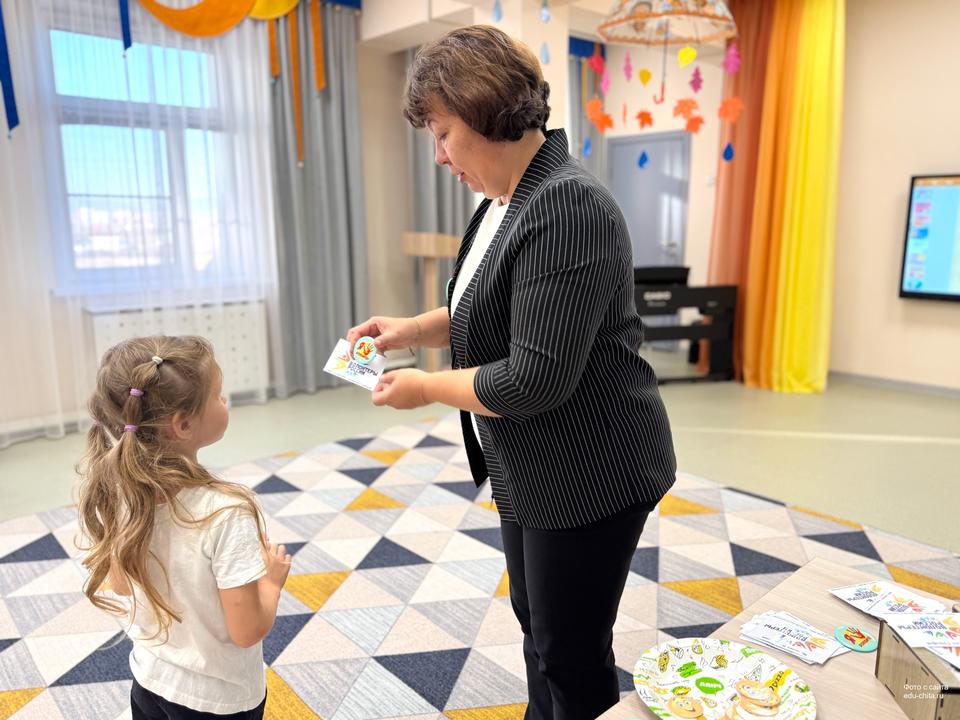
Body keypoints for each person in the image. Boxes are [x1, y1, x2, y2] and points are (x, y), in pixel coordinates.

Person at [347, 25, 677, 720]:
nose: (439, 156)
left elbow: (533, 381)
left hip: (590, 469)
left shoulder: (566, 205)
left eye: (442, 133)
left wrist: (424, 386)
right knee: (538, 629)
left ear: (484, 108)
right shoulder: (505, 201)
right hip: (532, 462)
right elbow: (486, 306)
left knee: (570, 650)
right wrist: (410, 330)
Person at [77, 336, 292, 719]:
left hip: (150, 679)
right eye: (217, 395)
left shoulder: (123, 491)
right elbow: (247, 630)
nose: (224, 400)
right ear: (183, 424)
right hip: (218, 700)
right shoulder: (225, 513)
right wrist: (271, 584)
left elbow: (122, 586)